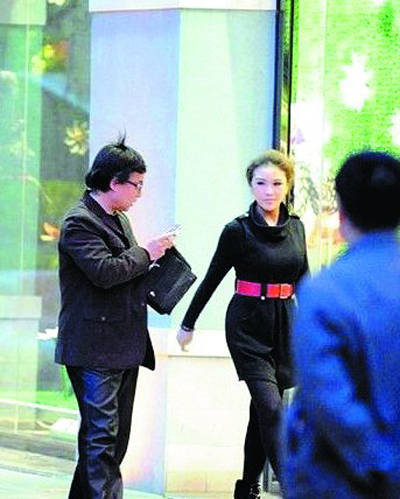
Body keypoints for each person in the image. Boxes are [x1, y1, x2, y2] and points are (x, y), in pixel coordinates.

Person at [177, 150, 309, 498]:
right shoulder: (237, 231)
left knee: (262, 412)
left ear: (287, 185)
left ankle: (247, 487)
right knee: (271, 408)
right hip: (247, 325)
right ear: (251, 185)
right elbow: (212, 278)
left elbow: (305, 280)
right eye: (261, 183)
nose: (269, 191)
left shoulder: (296, 227)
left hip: (285, 323)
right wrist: (188, 323)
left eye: (276, 183)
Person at [55, 137, 175, 498]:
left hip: (122, 345)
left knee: (110, 440)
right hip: (94, 348)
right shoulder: (79, 222)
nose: (140, 193)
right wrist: (146, 252)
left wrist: (156, 262)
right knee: (102, 440)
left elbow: (125, 271)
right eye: (136, 185)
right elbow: (105, 272)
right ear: (113, 182)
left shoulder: (118, 218)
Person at [283, 151, 400, 498]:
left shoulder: (324, 291)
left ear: (341, 211)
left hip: (343, 480)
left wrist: (383, 463)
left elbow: (329, 398)